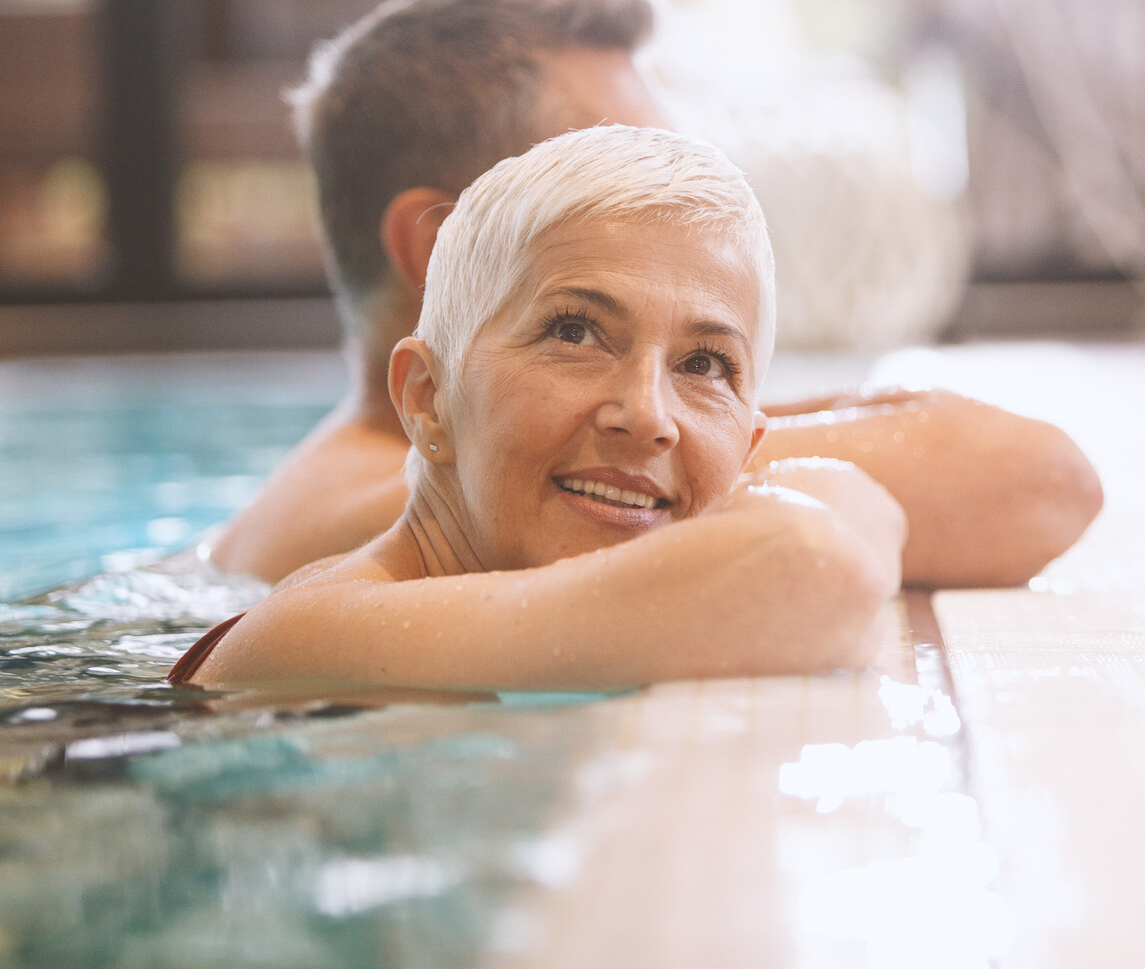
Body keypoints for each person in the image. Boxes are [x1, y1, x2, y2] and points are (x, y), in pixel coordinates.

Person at [201, 0, 1101, 588]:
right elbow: (1029, 482)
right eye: (608, 165)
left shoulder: (434, 464)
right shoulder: (372, 522)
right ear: (441, 249)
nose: (664, 201)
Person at [175, 127, 905, 690]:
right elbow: (813, 569)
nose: (648, 415)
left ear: (749, 450)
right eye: (574, 331)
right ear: (427, 402)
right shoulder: (309, 636)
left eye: (704, 364)